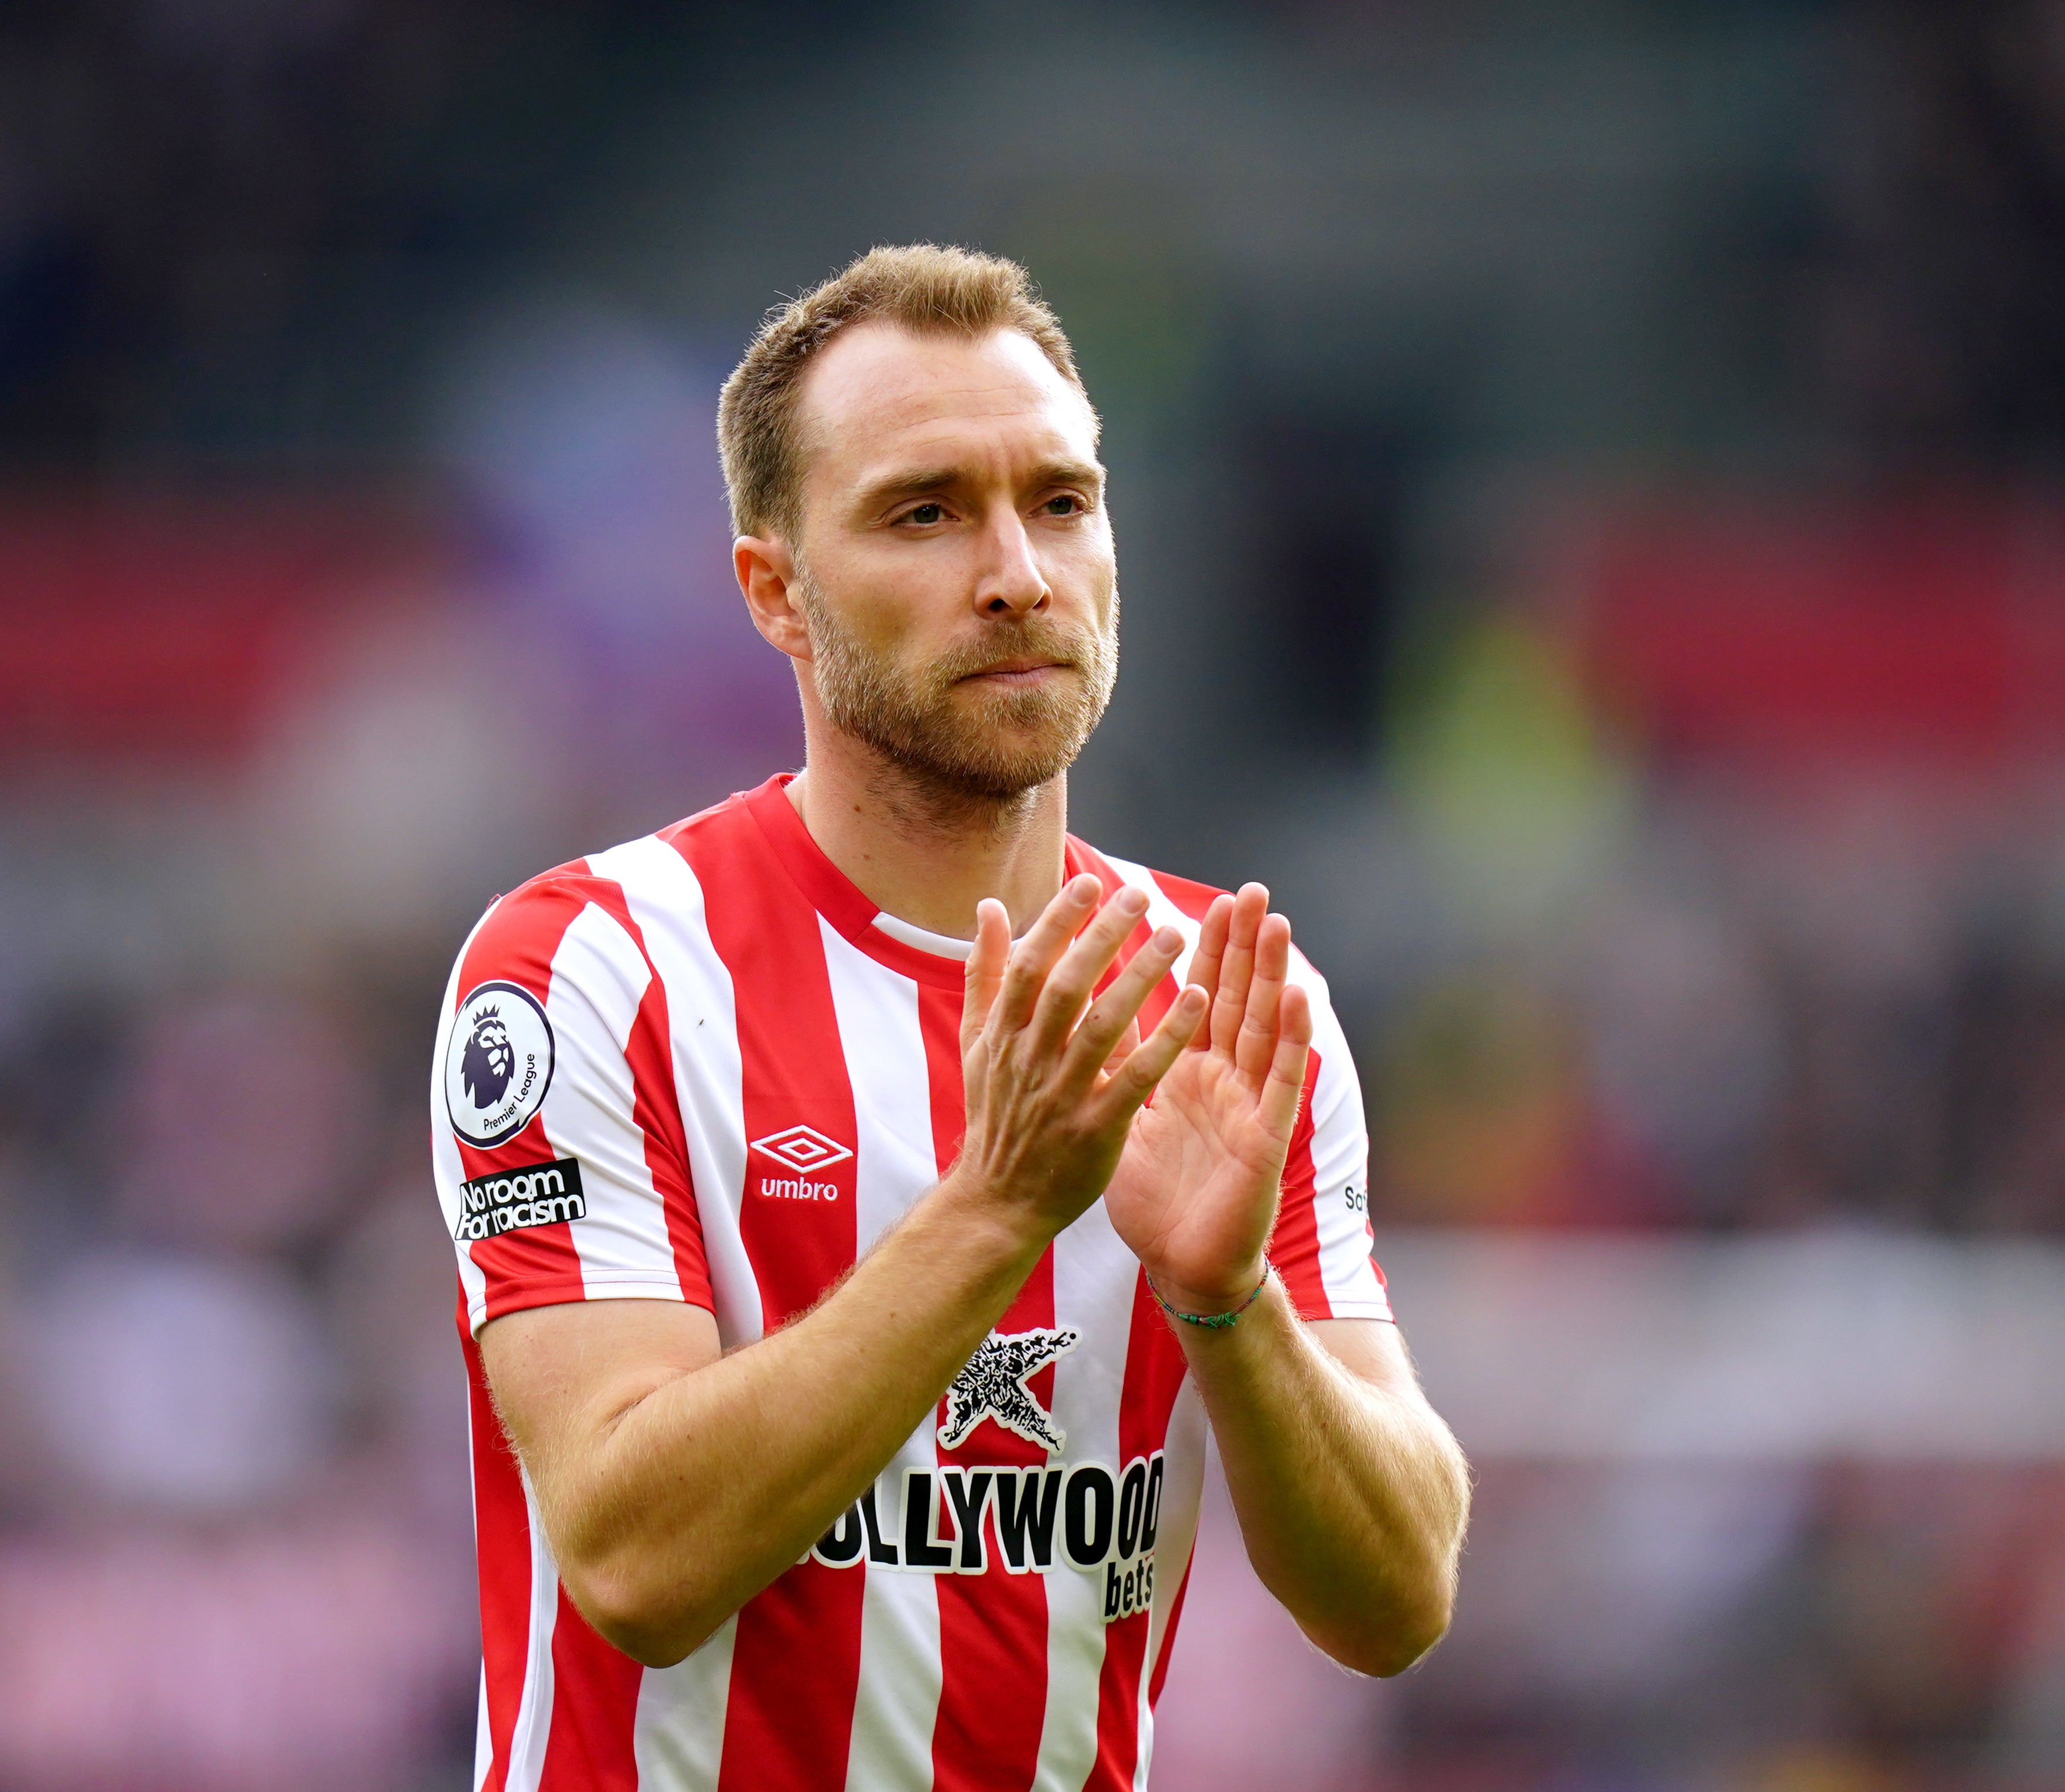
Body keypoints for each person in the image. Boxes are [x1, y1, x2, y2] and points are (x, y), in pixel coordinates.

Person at [430, 244, 1468, 1792]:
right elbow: (633, 1562)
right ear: (776, 590)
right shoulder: (591, 967)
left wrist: (1229, 1302)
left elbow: (1397, 1603)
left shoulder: (1231, 992)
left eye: (1059, 502)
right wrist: (997, 1208)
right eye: (926, 512)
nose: (1017, 574)